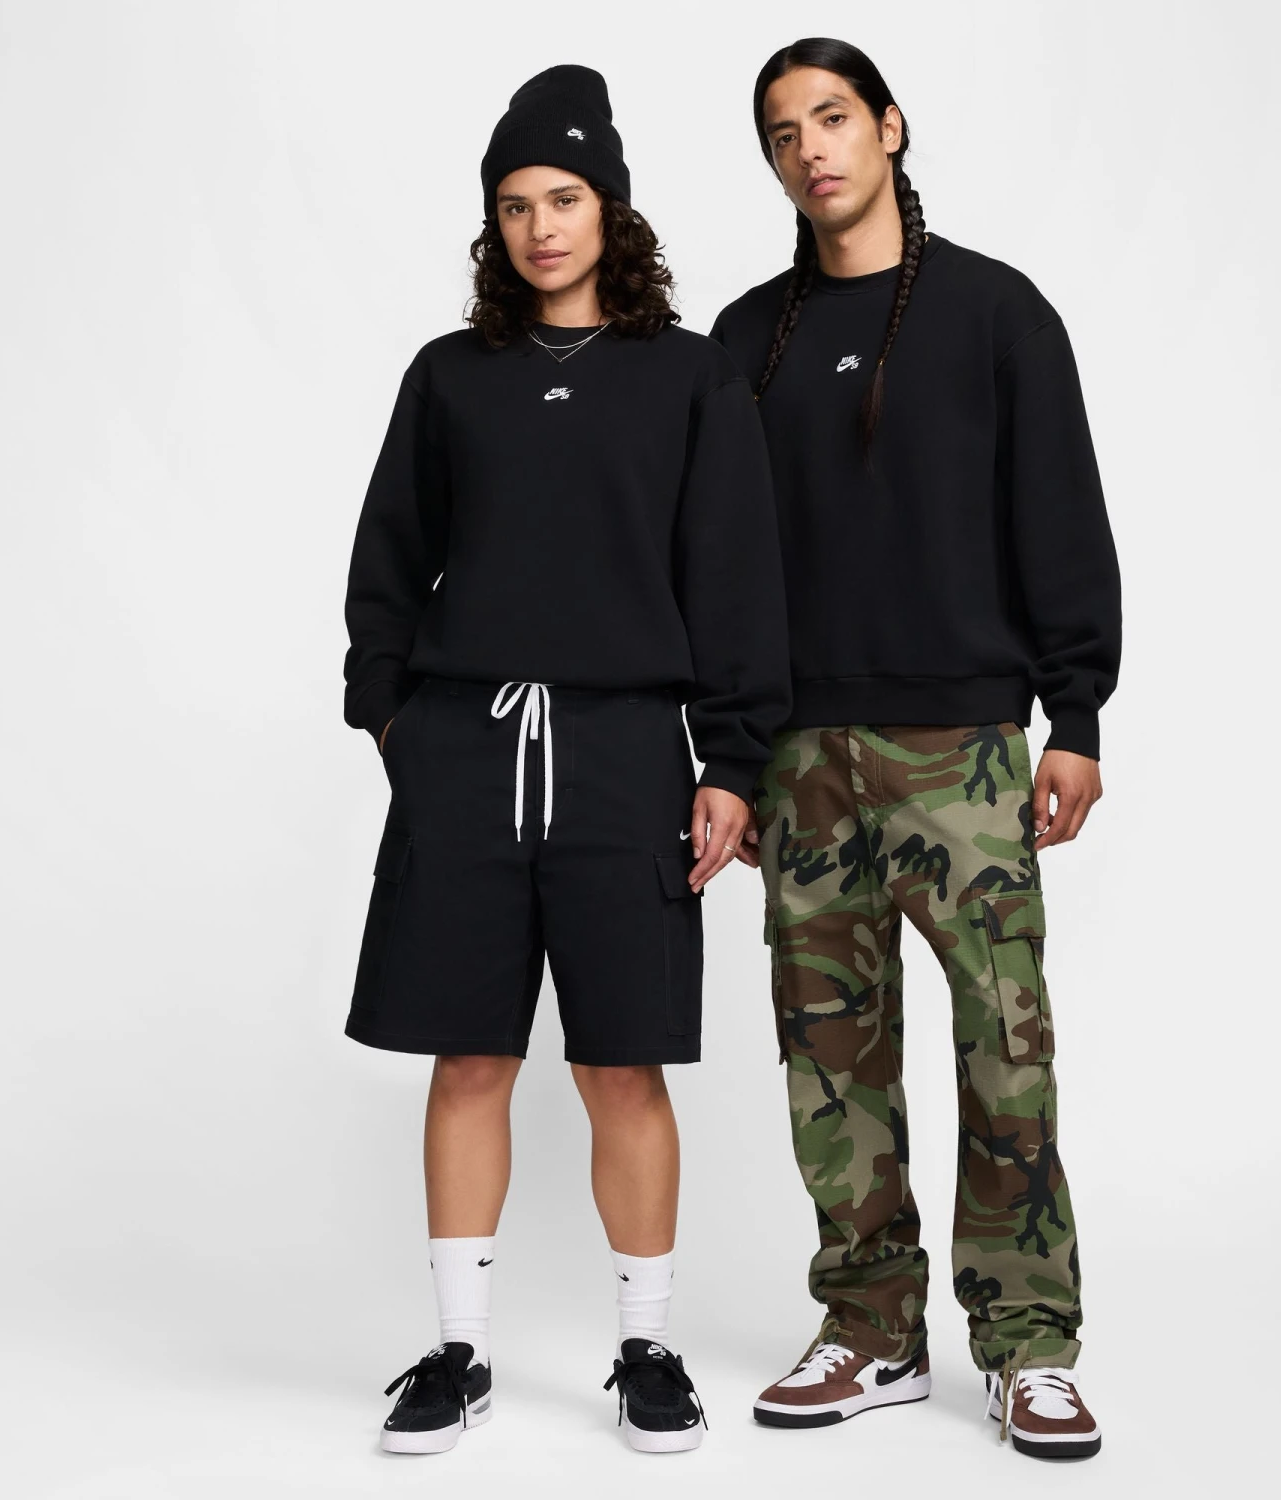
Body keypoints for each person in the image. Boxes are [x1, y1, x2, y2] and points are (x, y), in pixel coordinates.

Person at [342, 63, 789, 1456]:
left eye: (565, 198)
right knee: (468, 1057)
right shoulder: (450, 376)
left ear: (611, 211)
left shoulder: (691, 378)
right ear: (496, 222)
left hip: (624, 751)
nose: (541, 227)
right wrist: (397, 721)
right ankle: (458, 1350)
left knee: (623, 1066)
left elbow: (733, 580)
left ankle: (646, 1345)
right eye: (516, 204)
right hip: (466, 750)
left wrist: (731, 763)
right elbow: (388, 564)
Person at [710, 38, 1120, 1460]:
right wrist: (729, 754)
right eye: (782, 133)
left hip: (966, 750)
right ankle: (872, 1328)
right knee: (831, 1061)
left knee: (1007, 1048)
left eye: (832, 117)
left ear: (889, 126)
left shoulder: (996, 313)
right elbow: (717, 565)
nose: (810, 149)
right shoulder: (745, 342)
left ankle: (1029, 1344)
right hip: (800, 757)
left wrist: (1076, 714)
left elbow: (1059, 511)